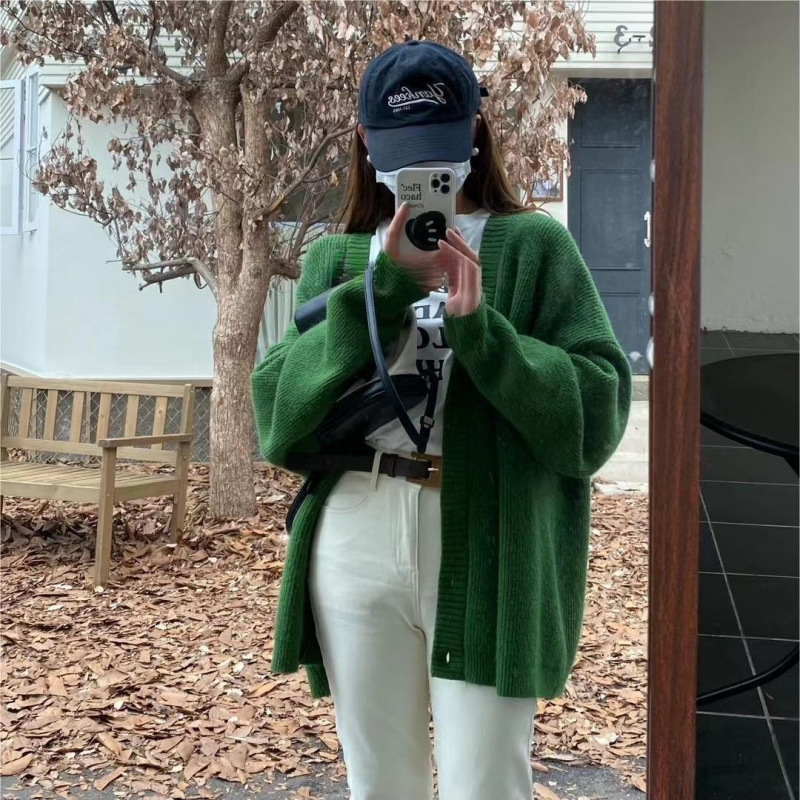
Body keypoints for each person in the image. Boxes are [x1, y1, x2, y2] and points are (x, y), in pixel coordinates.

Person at [251, 40, 632, 800]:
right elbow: (277, 418)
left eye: (438, 149)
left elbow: (595, 417)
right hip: (356, 530)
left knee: (486, 783)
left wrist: (483, 333)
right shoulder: (338, 258)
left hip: (491, 533)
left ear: (475, 135)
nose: (421, 171)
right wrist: (385, 291)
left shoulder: (534, 246)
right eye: (402, 152)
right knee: (379, 783)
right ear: (367, 144)